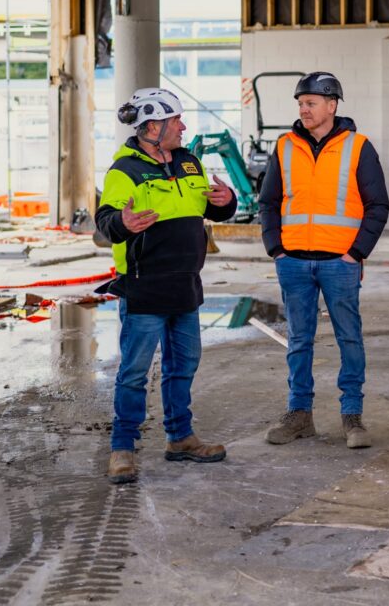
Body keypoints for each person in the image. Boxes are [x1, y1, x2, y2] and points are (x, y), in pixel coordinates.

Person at [94, 87, 237, 484]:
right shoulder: (125, 171)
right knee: (134, 373)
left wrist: (226, 201)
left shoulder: (190, 163)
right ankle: (122, 448)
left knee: (184, 366)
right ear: (152, 127)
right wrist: (123, 224)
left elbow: (208, 205)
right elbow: (105, 222)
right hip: (145, 288)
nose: (183, 127)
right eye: (176, 121)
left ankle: (180, 438)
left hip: (186, 287)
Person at [258, 72, 389, 449]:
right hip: (294, 262)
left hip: (340, 263)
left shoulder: (358, 147)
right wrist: (276, 249)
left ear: (332, 106)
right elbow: (268, 202)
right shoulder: (284, 146)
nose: (304, 108)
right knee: (299, 341)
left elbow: (378, 205)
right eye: (301, 102)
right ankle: (299, 415)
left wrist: (356, 252)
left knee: (349, 339)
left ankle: (352, 417)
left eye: (312, 102)